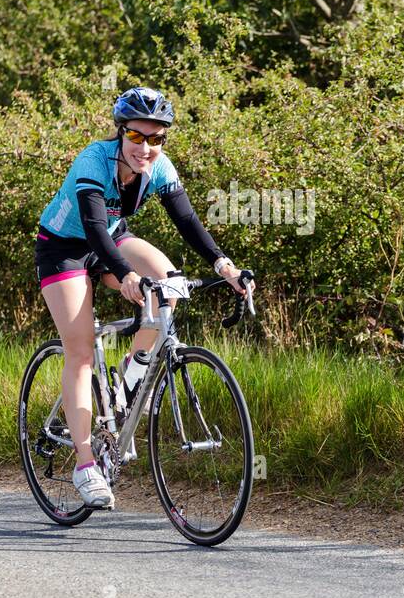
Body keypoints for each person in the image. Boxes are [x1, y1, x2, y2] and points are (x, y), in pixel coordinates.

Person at [36, 87, 250, 508]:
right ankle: (84, 465)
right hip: (65, 247)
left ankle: (128, 381)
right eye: (136, 137)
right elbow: (95, 226)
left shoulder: (159, 166)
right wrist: (125, 275)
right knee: (79, 351)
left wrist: (224, 266)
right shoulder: (94, 161)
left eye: (156, 139)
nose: (146, 148)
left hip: (112, 240)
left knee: (168, 281)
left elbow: (187, 220)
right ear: (121, 132)